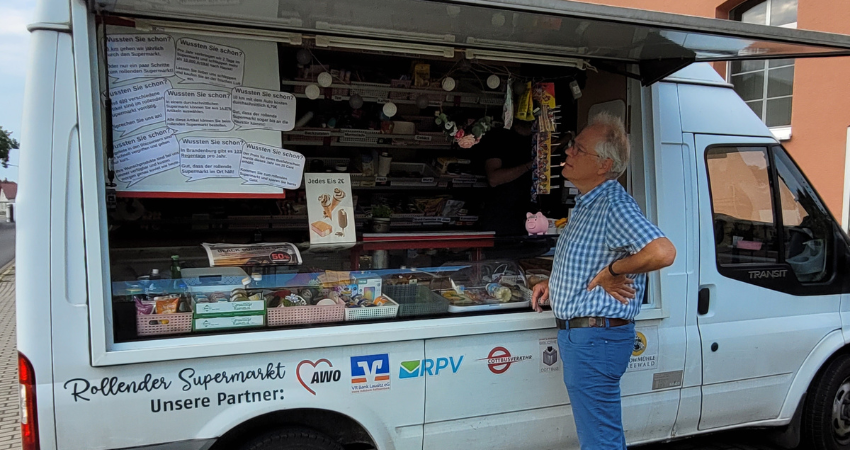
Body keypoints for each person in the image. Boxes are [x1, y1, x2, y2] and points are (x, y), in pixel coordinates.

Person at [531, 112, 676, 450]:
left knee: (600, 441)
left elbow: (663, 252)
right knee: (597, 434)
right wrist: (555, 283)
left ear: (603, 165)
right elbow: (589, 258)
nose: (568, 152)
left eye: (579, 149)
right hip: (586, 337)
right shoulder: (587, 202)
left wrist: (614, 271)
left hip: (596, 338)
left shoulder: (613, 204)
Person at [476, 119, 535, 236]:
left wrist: (569, 136)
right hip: (502, 217)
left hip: (531, 213)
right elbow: (494, 179)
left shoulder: (539, 138)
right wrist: (531, 164)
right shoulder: (498, 136)